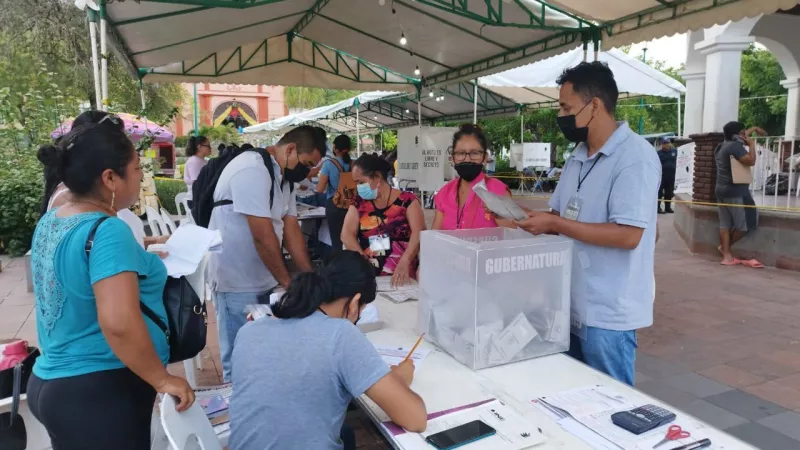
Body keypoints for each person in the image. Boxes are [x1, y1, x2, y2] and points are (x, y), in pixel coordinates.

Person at [27, 120, 194, 450]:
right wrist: (161, 379)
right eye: (135, 168)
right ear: (109, 178)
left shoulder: (53, 219)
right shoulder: (106, 230)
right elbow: (118, 323)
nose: (141, 176)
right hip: (100, 390)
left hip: (54, 382)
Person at [513, 62, 660, 386]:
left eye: (566, 106)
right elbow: (559, 214)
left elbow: (628, 235)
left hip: (608, 312)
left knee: (612, 404)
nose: (561, 114)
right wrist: (520, 216)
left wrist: (556, 223)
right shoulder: (577, 156)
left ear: (594, 106)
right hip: (570, 303)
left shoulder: (635, 157)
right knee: (573, 399)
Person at [229, 251, 426, 450]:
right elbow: (415, 419)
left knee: (345, 433)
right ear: (355, 302)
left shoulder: (248, 331)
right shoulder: (341, 335)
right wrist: (399, 380)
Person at [208, 125, 326, 381]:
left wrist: (309, 279)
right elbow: (262, 236)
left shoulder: (284, 179)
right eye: (307, 163)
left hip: (264, 279)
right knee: (240, 357)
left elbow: (291, 229)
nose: (308, 172)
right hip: (236, 280)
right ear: (291, 149)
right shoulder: (252, 169)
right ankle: (235, 412)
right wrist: (288, 282)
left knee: (261, 351)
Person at [40, 110, 167, 251]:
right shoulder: (78, 204)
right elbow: (104, 252)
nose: (141, 176)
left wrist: (153, 242)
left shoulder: (89, 199)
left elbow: (103, 251)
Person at [341, 154, 424, 287]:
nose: (358, 187)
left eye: (361, 182)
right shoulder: (358, 203)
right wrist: (363, 261)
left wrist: (405, 261)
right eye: (356, 183)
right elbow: (346, 235)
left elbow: (418, 233)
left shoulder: (407, 200)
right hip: (370, 275)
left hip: (404, 273)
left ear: (378, 177)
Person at [432, 124, 514, 230]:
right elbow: (434, 236)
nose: (467, 159)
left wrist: (499, 214)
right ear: (452, 158)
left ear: (484, 158)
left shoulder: (498, 191)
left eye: (474, 153)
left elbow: (513, 234)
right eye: (461, 153)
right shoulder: (444, 193)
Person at [715, 121, 766, 268]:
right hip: (735, 191)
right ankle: (725, 250)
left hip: (720, 190)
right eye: (743, 133)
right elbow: (750, 161)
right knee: (744, 225)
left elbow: (741, 136)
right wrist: (751, 145)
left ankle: (726, 255)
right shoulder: (735, 147)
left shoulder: (721, 146)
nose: (745, 135)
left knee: (725, 224)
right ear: (736, 135)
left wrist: (755, 128)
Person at [318, 134, 353, 251]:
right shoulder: (355, 164)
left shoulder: (328, 164)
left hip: (334, 205)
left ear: (335, 148)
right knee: (353, 238)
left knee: (336, 240)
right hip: (353, 204)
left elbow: (320, 189)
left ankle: (338, 265)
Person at [656, 137, 677, 214]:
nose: (667, 144)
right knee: (659, 192)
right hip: (661, 176)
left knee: (669, 192)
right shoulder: (658, 153)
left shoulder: (675, 151)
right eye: (665, 143)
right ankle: (658, 208)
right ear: (662, 144)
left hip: (671, 176)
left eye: (668, 143)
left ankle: (668, 208)